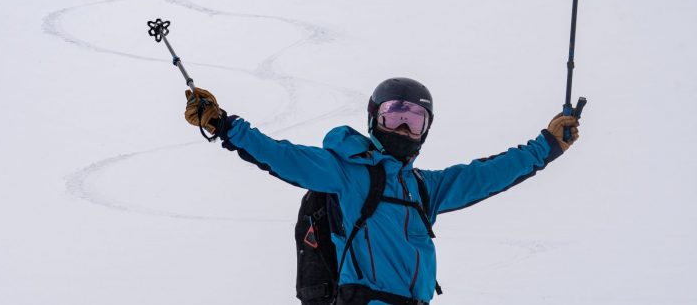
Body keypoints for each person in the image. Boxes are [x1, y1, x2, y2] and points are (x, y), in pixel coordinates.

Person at [184, 77, 580, 305]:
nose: (403, 129)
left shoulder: (424, 189)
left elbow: (484, 175)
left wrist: (546, 146)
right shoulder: (347, 172)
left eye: (414, 120)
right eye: (394, 116)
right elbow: (282, 157)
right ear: (374, 119)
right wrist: (225, 125)